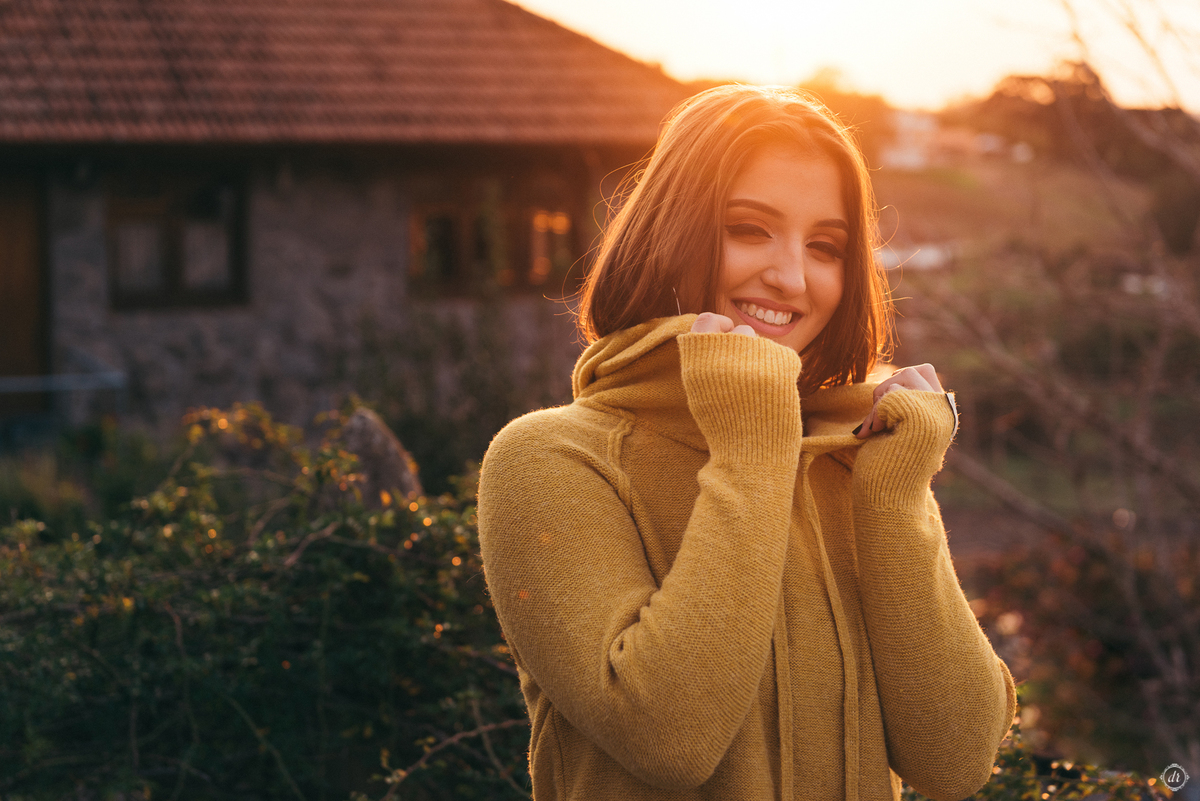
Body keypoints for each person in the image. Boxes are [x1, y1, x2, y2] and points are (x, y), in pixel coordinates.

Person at [477, 84, 1015, 801]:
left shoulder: (847, 458)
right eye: (749, 229)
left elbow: (956, 760)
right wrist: (751, 448)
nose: (791, 277)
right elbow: (668, 737)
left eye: (825, 247)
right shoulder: (549, 460)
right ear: (670, 231)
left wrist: (893, 496)